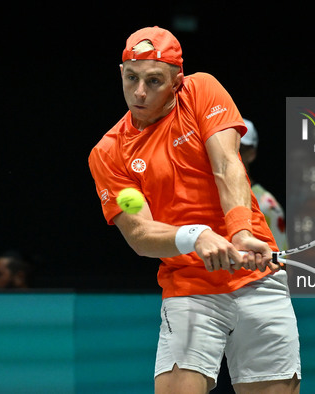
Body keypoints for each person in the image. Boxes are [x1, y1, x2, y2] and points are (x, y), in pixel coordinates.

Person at [88, 26, 300, 394]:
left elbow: (227, 164)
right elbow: (139, 235)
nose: (139, 92)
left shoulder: (201, 90)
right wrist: (195, 235)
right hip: (189, 288)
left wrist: (241, 232)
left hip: (257, 279)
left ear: (176, 82)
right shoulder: (108, 153)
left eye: (153, 80)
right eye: (131, 77)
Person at [239, 119, 288, 251]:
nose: (233, 154)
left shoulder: (267, 205)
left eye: (240, 149)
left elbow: (280, 261)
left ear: (252, 153)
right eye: (227, 146)